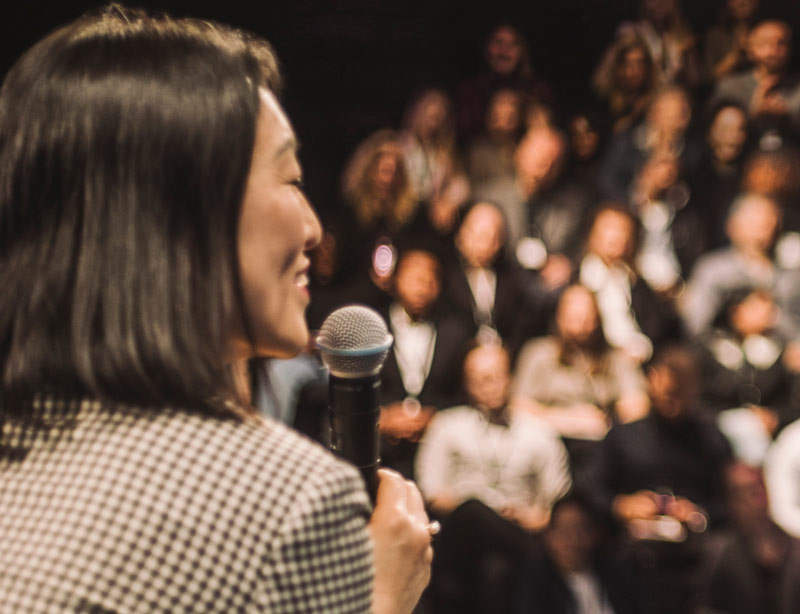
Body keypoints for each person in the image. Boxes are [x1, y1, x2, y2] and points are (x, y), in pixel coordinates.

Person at [0, 6, 432, 614]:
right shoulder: (291, 501)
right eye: (288, 178)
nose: (311, 227)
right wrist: (384, 595)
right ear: (179, 218)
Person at [415, 343, 571, 614]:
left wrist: (533, 516)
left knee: (496, 568)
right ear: (467, 385)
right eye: (479, 379)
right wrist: (489, 512)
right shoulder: (446, 426)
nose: (489, 384)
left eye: (495, 375)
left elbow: (557, 504)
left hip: (519, 530)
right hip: (457, 533)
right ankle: (547, 566)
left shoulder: (540, 434)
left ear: (510, 377)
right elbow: (432, 493)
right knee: (474, 510)